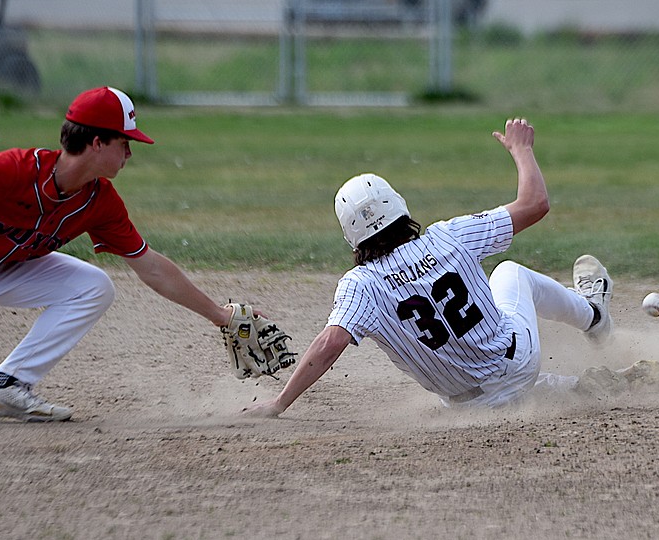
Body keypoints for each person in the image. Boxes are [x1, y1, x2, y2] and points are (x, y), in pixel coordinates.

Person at [0, 86, 245, 422]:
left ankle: (7, 385)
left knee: (93, 286)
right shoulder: (15, 170)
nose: (130, 153)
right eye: (125, 142)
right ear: (97, 142)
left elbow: (150, 267)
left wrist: (219, 315)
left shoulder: (99, 200)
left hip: (7, 269)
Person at [248, 117, 613, 417]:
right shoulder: (448, 236)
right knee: (509, 272)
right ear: (399, 205)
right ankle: (593, 316)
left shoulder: (361, 285)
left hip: (466, 406)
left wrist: (279, 403)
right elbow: (535, 204)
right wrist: (522, 150)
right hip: (517, 366)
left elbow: (331, 342)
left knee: (481, 372)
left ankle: (577, 379)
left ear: (351, 236)